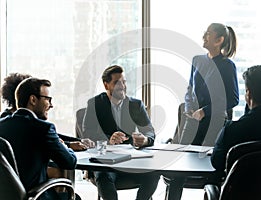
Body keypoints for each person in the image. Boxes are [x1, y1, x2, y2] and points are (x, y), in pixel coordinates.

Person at [167, 23, 239, 200]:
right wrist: (189, 105)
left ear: (219, 40)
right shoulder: (197, 60)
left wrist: (205, 111)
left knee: (211, 170)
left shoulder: (227, 66)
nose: (204, 35)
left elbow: (232, 99)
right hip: (191, 122)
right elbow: (190, 88)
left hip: (213, 124)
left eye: (209, 33)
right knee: (178, 170)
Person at [82, 65, 160, 200]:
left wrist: (145, 140)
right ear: (106, 85)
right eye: (117, 83)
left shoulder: (136, 105)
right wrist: (108, 140)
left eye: (124, 82)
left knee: (155, 172)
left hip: (131, 161)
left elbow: (149, 131)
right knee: (103, 176)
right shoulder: (95, 104)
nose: (122, 86)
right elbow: (86, 134)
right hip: (107, 163)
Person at [0, 77, 77, 200]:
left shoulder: (1, 125)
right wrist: (65, 146)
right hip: (35, 196)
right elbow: (70, 162)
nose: (51, 105)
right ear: (33, 100)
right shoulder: (44, 129)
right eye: (48, 99)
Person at [0, 72, 94, 151]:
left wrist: (78, 141)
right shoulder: (27, 123)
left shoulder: (6, 121)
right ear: (32, 99)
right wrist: (68, 145)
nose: (50, 105)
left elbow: (51, 136)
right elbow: (43, 139)